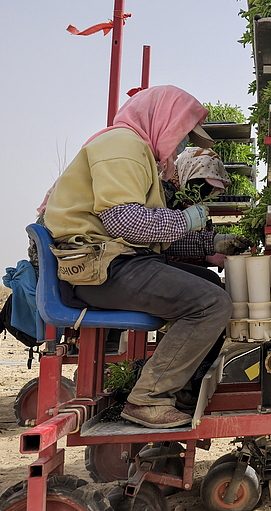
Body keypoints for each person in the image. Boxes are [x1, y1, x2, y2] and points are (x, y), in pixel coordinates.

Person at [43, 85, 245, 428]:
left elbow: (154, 240)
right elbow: (124, 221)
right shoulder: (122, 147)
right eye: (183, 133)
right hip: (101, 269)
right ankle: (148, 399)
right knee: (212, 304)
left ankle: (179, 390)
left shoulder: (138, 153)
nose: (182, 143)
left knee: (210, 284)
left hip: (119, 260)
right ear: (163, 119)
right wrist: (186, 220)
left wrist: (213, 243)